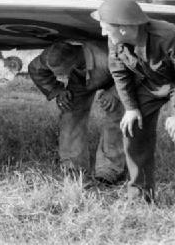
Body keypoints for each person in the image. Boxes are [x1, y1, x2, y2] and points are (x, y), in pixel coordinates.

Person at [92, 0, 175, 202]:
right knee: (133, 129)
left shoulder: (169, 36)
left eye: (105, 27)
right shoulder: (115, 40)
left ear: (123, 28)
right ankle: (140, 196)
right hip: (150, 85)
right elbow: (119, 73)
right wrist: (130, 108)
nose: (103, 33)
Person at [28, 40, 125, 183]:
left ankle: (109, 170)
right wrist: (57, 90)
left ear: (72, 64)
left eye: (61, 74)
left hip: (116, 78)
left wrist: (114, 93)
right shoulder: (50, 56)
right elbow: (36, 69)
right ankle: (73, 167)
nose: (59, 77)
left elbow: (135, 72)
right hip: (80, 79)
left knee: (115, 114)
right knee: (70, 112)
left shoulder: (107, 56)